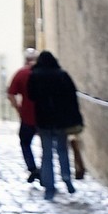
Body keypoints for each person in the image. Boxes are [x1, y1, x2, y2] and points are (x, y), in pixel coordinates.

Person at [29, 48, 83, 201]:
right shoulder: (62, 75)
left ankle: (49, 187)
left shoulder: (35, 75)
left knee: (46, 154)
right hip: (60, 120)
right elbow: (72, 97)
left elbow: (31, 96)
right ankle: (67, 180)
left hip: (44, 120)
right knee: (62, 151)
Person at [6, 48, 40, 184]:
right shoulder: (42, 73)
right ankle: (45, 171)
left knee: (25, 142)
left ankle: (32, 168)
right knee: (47, 146)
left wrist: (18, 109)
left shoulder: (21, 73)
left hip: (27, 115)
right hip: (45, 116)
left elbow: (10, 94)